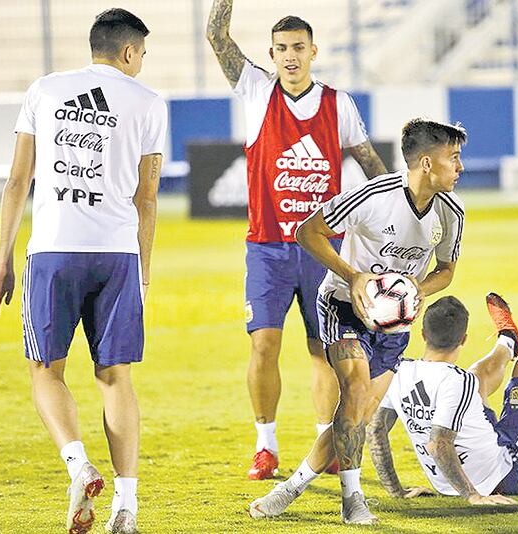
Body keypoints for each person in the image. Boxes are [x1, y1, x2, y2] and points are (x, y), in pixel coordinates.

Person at [0, 8, 166, 534]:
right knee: (115, 378)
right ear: (130, 52)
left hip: (54, 251)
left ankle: (77, 463)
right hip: (117, 255)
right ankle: (126, 507)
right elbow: (147, 197)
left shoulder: (44, 90)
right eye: (142, 54)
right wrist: (144, 274)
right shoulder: (149, 102)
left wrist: (2, 261)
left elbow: (18, 181)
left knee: (46, 371)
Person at [247, 118, 466, 524]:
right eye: (453, 158)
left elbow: (447, 269)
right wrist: (355, 277)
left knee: (357, 413)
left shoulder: (452, 211)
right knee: (355, 390)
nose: (461, 167)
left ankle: (290, 487)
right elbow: (307, 232)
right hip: (343, 305)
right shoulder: (373, 196)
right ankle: (353, 499)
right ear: (425, 162)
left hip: (393, 325)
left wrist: (419, 288)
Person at [206, 0, 389, 480]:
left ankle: (321, 444)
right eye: (282, 48)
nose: (290, 56)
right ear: (271, 53)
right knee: (263, 344)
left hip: (323, 249)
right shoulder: (255, 92)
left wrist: (395, 214)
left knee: (323, 350)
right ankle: (265, 445)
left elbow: (369, 162)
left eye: (299, 48)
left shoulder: (337, 103)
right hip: (267, 246)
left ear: (313, 51)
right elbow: (218, 40)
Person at [365, 261, 518, 504]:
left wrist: (396, 491)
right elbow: (438, 443)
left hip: (448, 482)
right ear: (463, 339)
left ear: (423, 334)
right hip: (509, 472)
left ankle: (508, 340)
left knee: (475, 378)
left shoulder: (397, 371)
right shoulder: (458, 381)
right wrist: (473, 496)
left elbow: (376, 431)